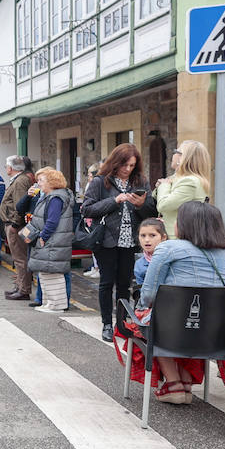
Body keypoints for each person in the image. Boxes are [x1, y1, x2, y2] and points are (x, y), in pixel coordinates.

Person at [131, 201, 225, 405]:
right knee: (193, 319)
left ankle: (174, 384)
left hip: (172, 328)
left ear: (185, 224)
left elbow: (150, 293)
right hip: (214, 331)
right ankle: (186, 382)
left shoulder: (169, 248)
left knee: (151, 320)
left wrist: (140, 306)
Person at [83, 144, 157, 342]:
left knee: (125, 284)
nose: (127, 169)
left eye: (132, 165)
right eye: (124, 164)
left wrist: (142, 204)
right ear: (115, 162)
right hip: (106, 240)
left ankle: (122, 324)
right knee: (106, 283)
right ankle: (106, 323)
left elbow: (151, 211)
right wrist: (114, 201)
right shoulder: (100, 182)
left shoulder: (140, 181)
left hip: (131, 240)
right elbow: (87, 209)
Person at [21, 168, 75, 313]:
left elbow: (52, 221)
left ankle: (55, 305)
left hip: (51, 241)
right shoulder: (53, 196)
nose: (38, 183)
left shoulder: (56, 198)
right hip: (52, 240)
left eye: (41, 180)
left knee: (52, 274)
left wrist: (43, 237)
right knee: (47, 273)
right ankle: (49, 303)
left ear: (52, 182)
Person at [154, 140, 212, 236]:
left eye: (177, 152)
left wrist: (164, 186)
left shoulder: (190, 182)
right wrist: (161, 186)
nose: (173, 155)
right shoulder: (179, 178)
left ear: (184, 157)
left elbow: (163, 205)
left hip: (179, 238)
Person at [0, 156, 35, 300]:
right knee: (18, 258)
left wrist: (15, 224)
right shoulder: (19, 180)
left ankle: (24, 289)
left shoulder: (20, 181)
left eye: (6, 166)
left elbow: (19, 205)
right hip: (13, 223)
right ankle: (20, 286)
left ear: (11, 167)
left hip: (15, 225)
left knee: (20, 258)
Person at [133, 218, 168, 298]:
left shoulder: (172, 258)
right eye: (143, 236)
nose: (147, 240)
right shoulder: (139, 264)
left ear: (163, 237)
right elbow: (141, 292)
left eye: (152, 235)